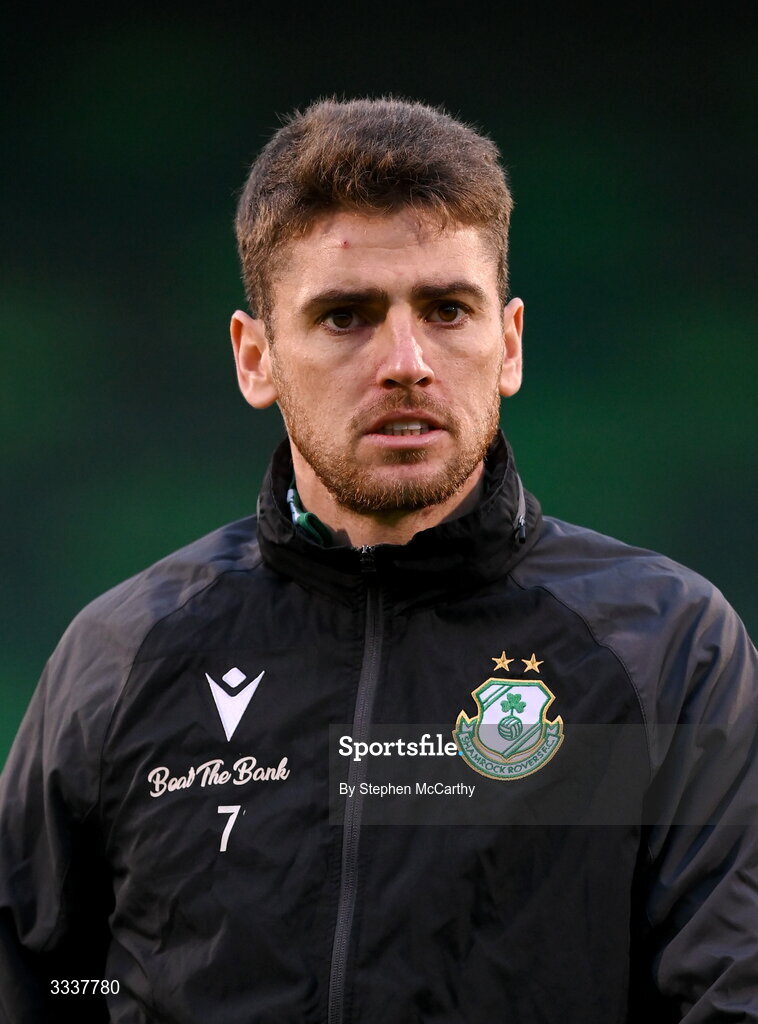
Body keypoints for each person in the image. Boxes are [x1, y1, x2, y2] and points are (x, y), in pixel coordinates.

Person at [0, 97, 756, 1024]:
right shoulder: (120, 657)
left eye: (446, 309)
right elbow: (43, 986)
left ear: (509, 343)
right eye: (346, 317)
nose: (406, 361)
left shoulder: (668, 649)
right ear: (256, 358)